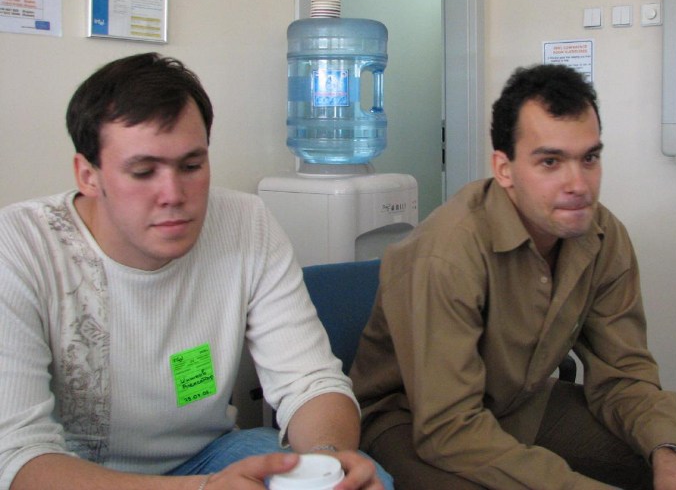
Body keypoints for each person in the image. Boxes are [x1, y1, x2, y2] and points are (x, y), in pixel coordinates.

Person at [0, 53, 391, 490]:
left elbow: (310, 380)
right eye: (143, 172)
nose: (173, 194)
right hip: (76, 473)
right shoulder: (19, 245)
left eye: (191, 166)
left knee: (366, 479)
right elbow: (16, 457)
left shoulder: (245, 222)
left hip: (206, 455)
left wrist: (325, 465)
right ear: (88, 175)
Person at [349, 64, 676, 490]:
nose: (578, 184)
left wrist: (671, 460)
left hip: (516, 403)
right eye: (550, 162)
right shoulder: (447, 254)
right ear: (504, 168)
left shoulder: (603, 236)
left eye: (589, 158)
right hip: (413, 421)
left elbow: (623, 375)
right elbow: (448, 429)